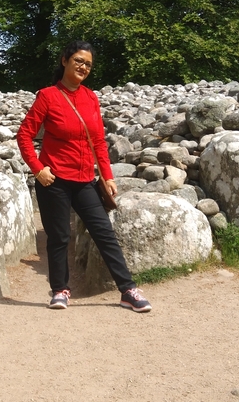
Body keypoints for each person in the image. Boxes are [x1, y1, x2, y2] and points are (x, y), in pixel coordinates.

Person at [17, 40, 152, 312]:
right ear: (64, 60)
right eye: (78, 60)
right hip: (53, 180)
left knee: (104, 233)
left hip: (85, 180)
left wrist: (108, 176)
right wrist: (38, 168)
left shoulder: (91, 98)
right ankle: (60, 290)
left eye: (88, 64)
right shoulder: (47, 96)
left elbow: (99, 142)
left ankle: (127, 290)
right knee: (59, 237)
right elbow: (24, 135)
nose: (83, 67)